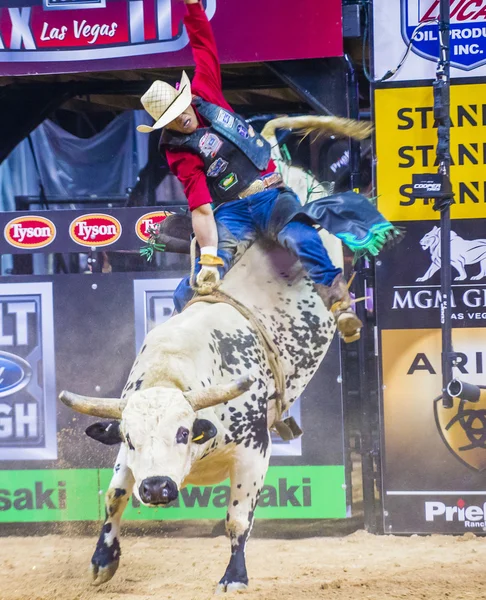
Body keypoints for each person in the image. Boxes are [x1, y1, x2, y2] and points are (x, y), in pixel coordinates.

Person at [136, 0, 363, 342]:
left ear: (185, 99)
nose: (182, 119)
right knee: (204, 276)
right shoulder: (178, 152)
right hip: (231, 212)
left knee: (302, 237)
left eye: (180, 109)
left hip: (271, 195)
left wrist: (194, 8)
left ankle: (339, 304)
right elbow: (200, 204)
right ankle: (180, 331)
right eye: (172, 119)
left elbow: (203, 46)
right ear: (165, 125)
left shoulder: (205, 92)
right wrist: (210, 258)